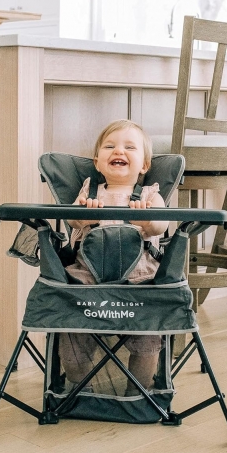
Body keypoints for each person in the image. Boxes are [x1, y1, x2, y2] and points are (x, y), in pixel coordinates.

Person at [59, 119, 169, 396]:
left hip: (139, 282)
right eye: (110, 146)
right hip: (88, 280)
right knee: (72, 335)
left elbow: (161, 226)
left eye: (129, 147)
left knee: (147, 338)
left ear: (144, 165)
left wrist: (147, 221)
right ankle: (82, 388)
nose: (119, 151)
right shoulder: (89, 192)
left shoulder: (150, 195)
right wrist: (84, 215)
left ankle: (138, 393)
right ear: (97, 163)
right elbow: (72, 221)